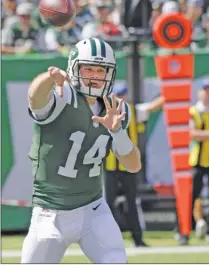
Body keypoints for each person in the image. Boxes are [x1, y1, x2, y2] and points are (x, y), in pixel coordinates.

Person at [21, 38, 142, 264]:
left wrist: (118, 132)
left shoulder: (117, 109)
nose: (95, 76)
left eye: (101, 70)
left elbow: (133, 165)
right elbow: (35, 99)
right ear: (74, 68)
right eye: (89, 69)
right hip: (50, 213)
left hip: (93, 210)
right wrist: (48, 78)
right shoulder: (62, 96)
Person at [104, 82, 164, 247]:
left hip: (128, 165)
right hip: (110, 166)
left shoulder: (134, 111)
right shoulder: (105, 112)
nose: (121, 98)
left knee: (132, 202)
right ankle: (108, 239)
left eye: (123, 95)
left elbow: (153, 106)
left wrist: (169, 91)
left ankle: (137, 238)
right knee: (107, 204)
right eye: (118, 95)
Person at [177, 78, 209, 245]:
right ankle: (183, 231)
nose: (207, 93)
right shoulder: (193, 111)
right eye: (204, 90)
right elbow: (191, 134)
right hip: (196, 161)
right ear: (199, 92)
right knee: (190, 197)